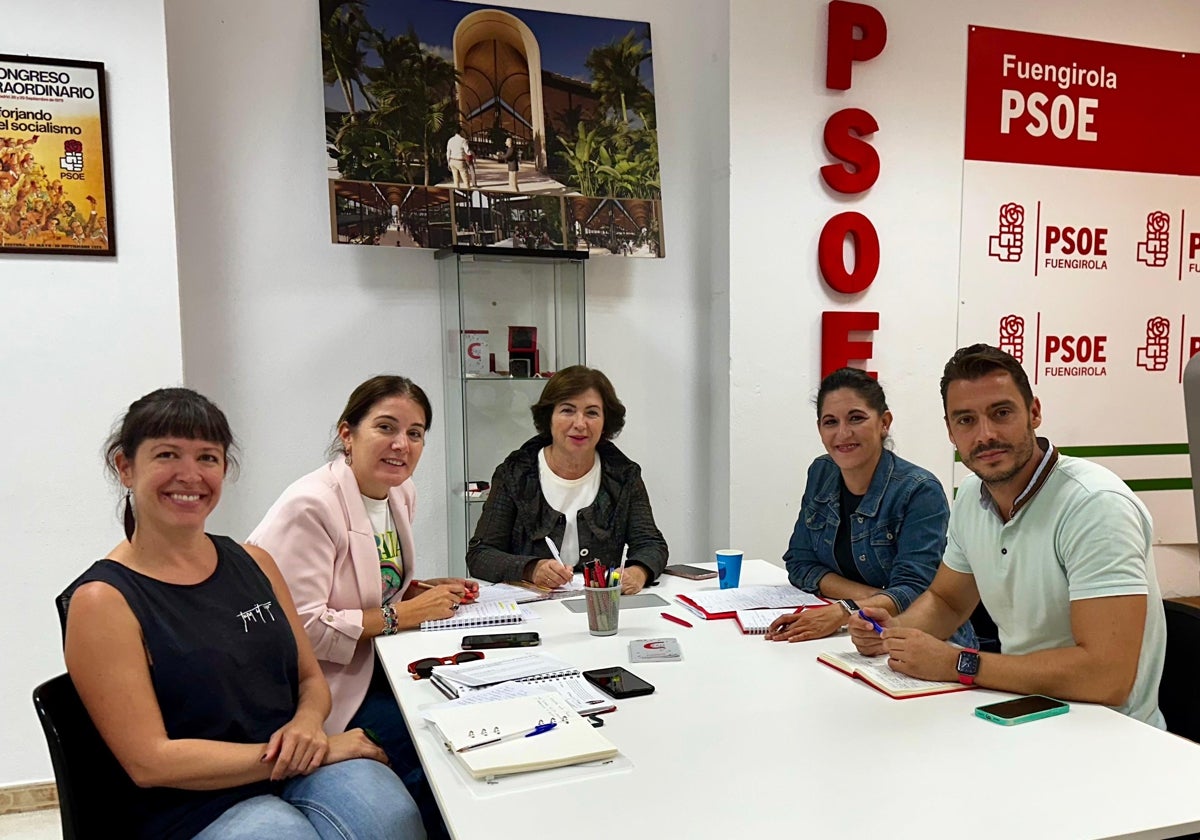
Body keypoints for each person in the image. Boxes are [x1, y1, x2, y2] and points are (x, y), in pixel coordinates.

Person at [63, 388, 422, 840]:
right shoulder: (103, 601)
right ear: (125, 466)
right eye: (167, 455)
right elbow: (149, 761)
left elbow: (310, 679)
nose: (190, 475)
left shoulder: (254, 562)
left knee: (390, 815)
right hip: (189, 801)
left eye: (208, 458)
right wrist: (316, 750)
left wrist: (309, 726)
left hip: (290, 767)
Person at [849, 344, 1166, 727]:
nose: (985, 435)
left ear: (1033, 412)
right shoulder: (970, 495)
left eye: (1001, 413)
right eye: (966, 420)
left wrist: (959, 663)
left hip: (1110, 735)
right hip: (1019, 710)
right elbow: (948, 601)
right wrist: (893, 632)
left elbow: (1106, 677)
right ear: (950, 431)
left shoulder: (1095, 506)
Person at [248, 375, 475, 839]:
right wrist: (403, 615)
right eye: (386, 427)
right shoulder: (311, 505)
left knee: (462, 715)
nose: (401, 444)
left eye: (415, 433)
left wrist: (421, 592)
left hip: (375, 668)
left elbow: (373, 588)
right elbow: (301, 629)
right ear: (347, 433)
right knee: (432, 752)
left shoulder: (398, 493)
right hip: (317, 692)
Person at [768, 368, 974, 646]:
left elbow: (915, 590)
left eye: (856, 418)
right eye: (830, 422)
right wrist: (865, 598)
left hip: (923, 639)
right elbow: (799, 562)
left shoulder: (920, 490)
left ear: (884, 422)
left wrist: (846, 609)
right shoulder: (822, 472)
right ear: (819, 429)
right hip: (853, 629)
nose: (843, 433)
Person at [467, 365, 668, 594]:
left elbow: (652, 545)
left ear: (605, 423)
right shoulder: (515, 474)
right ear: (549, 418)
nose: (580, 424)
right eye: (567, 410)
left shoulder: (623, 475)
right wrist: (531, 568)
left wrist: (638, 573)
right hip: (534, 611)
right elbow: (480, 555)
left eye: (592, 413)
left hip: (602, 608)